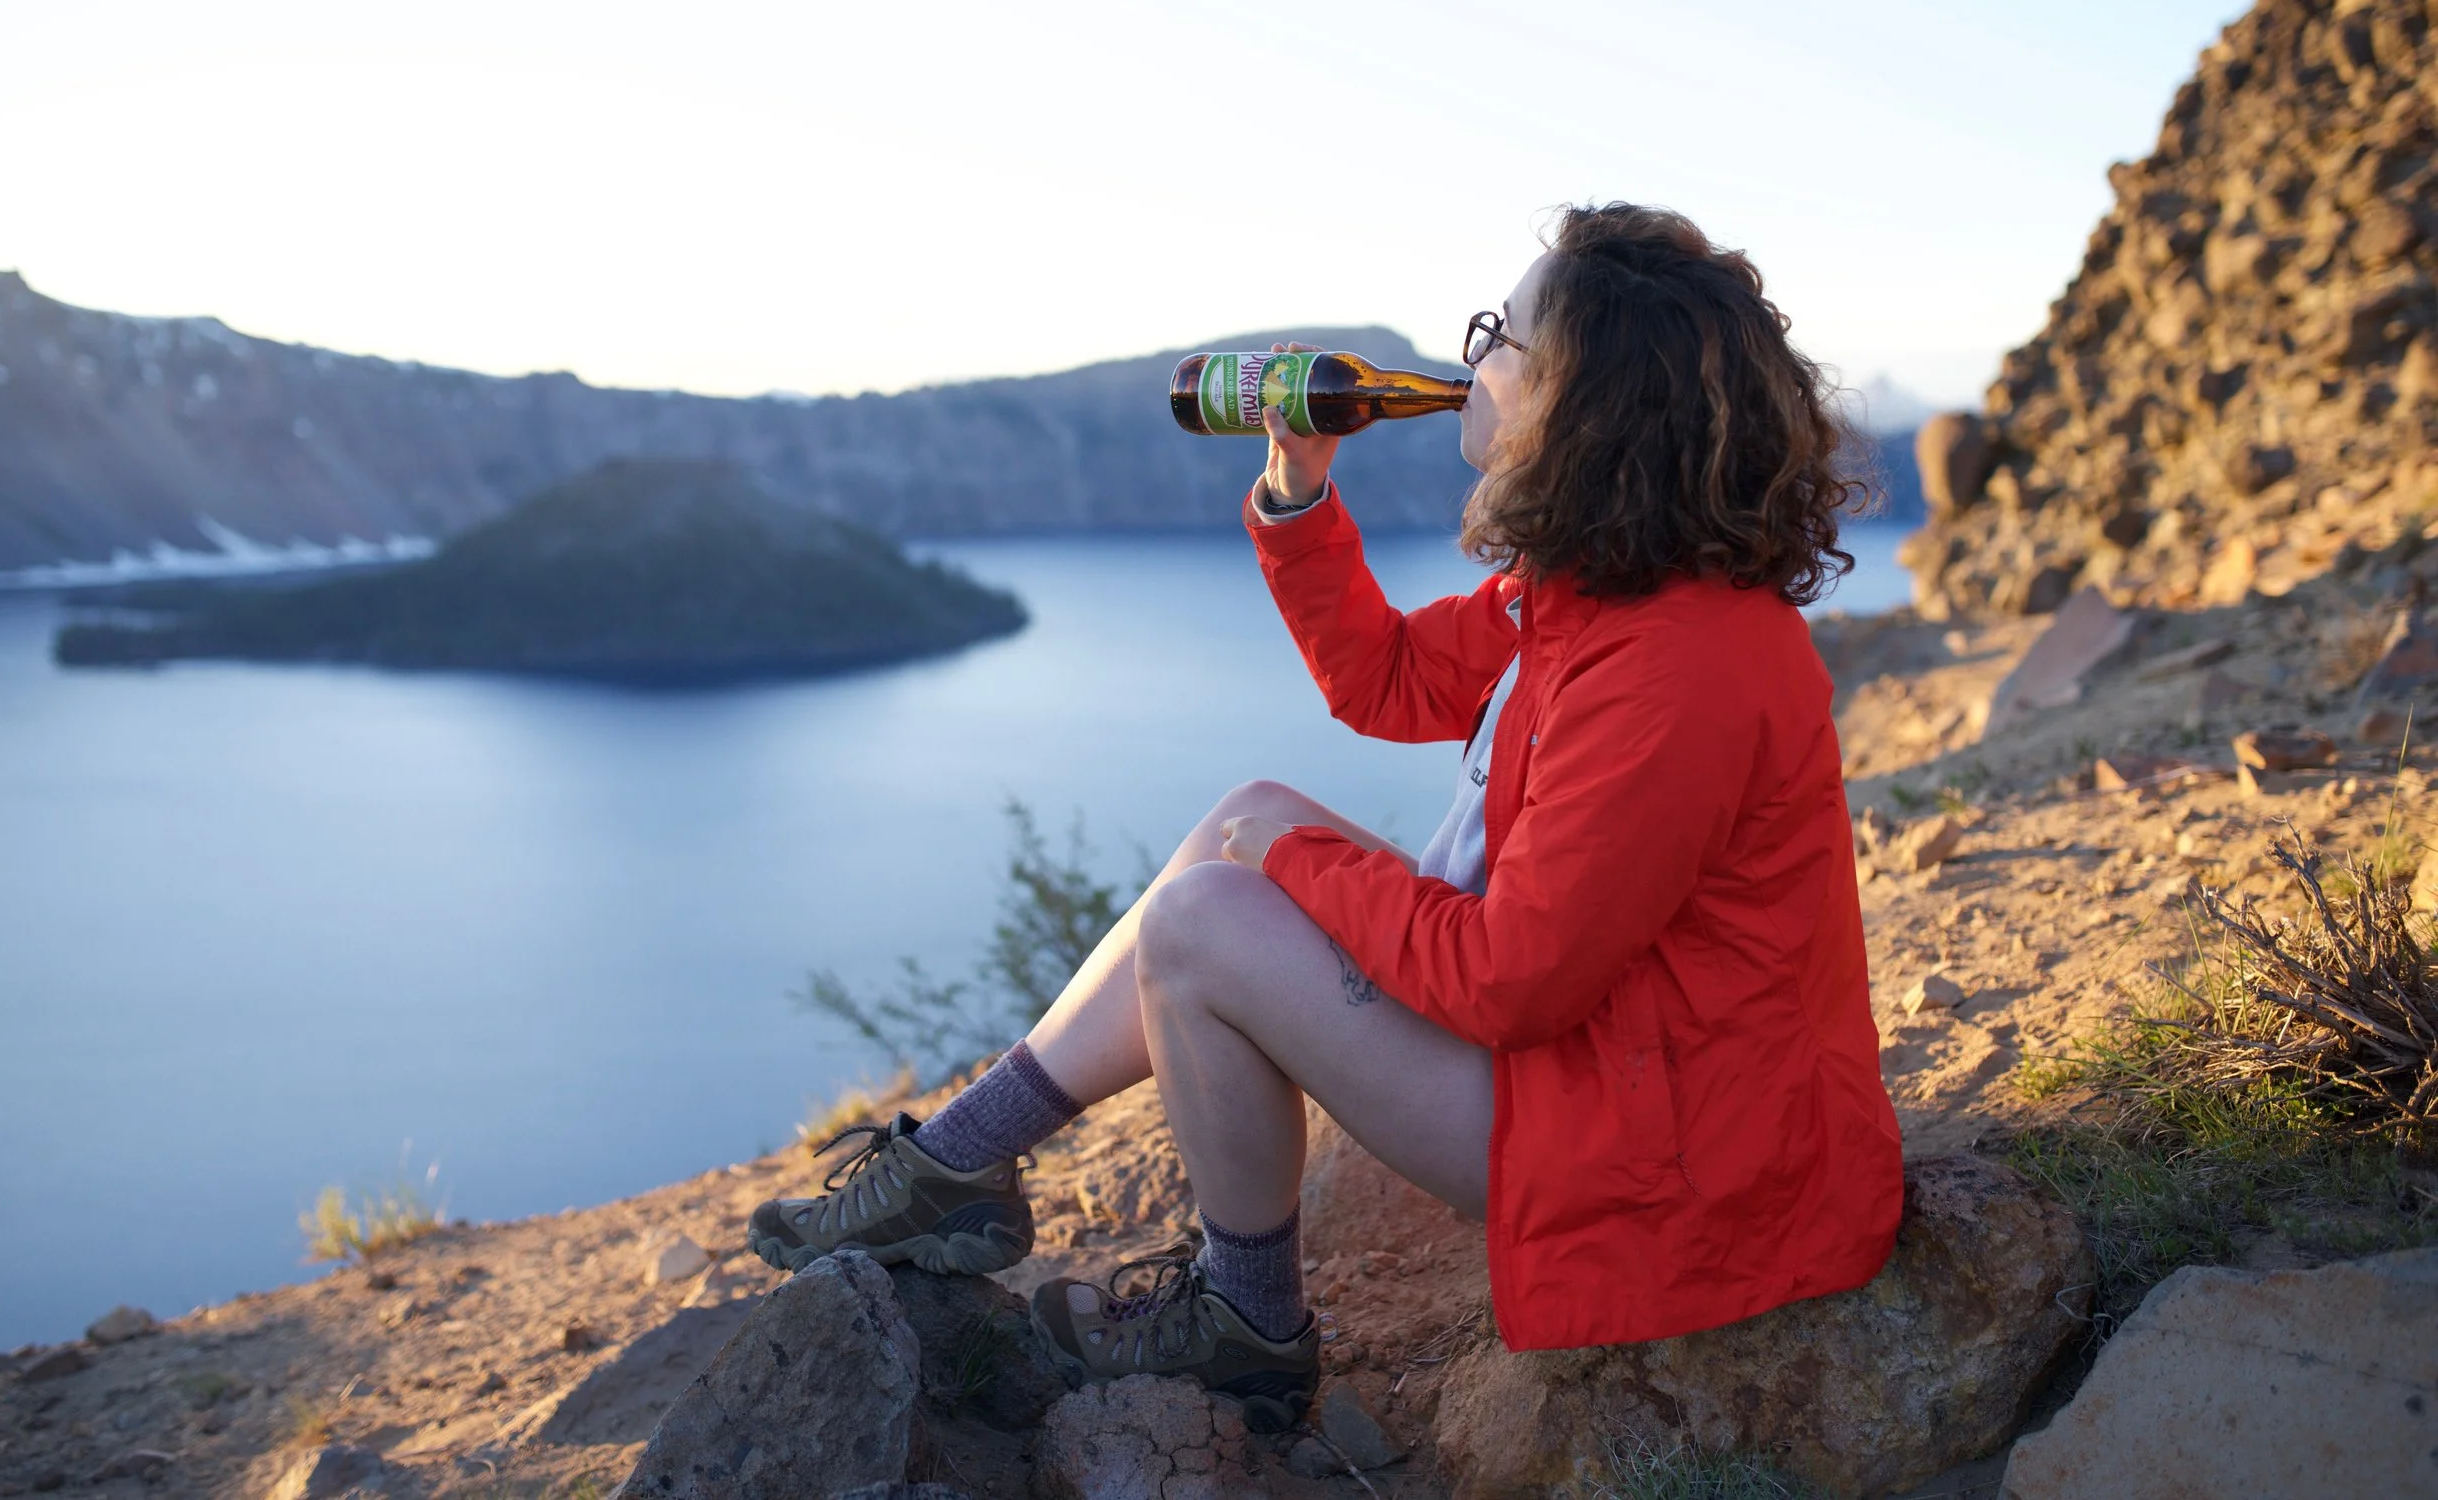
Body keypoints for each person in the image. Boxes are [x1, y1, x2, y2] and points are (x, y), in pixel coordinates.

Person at [750, 202, 1905, 1431]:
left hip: (1661, 1157)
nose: (1469, 363)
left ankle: (1241, 1324)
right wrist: (1296, 494)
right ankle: (961, 1162)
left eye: (1498, 338)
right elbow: (1388, 682)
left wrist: (1291, 864)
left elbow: (1514, 981)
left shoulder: (1678, 665)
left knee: (1207, 918)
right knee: (1246, 818)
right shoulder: (1589, 596)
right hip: (1614, 1070)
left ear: (1582, 396)